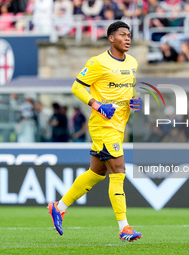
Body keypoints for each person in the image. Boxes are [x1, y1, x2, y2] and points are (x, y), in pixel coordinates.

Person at [48, 21, 143, 242]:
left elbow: (129, 90)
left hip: (119, 125)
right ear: (111, 38)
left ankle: (59, 207)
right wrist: (97, 104)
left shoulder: (132, 63)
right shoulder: (98, 62)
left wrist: (134, 102)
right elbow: (77, 86)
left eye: (129, 35)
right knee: (118, 170)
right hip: (103, 125)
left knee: (97, 173)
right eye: (122, 35)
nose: (127, 38)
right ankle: (124, 227)